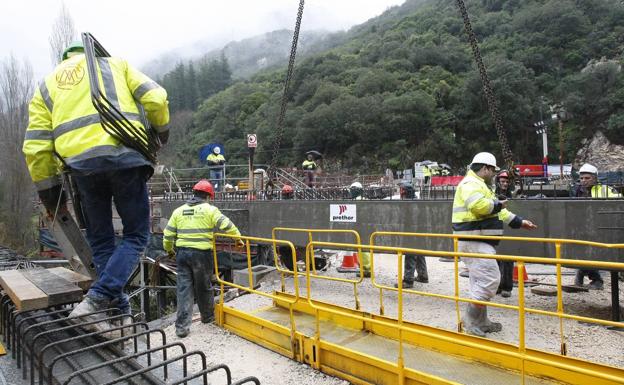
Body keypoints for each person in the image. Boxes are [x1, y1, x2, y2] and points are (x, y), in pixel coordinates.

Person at [22, 41, 169, 333]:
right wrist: (161, 133)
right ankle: (98, 300)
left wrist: (51, 198)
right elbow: (156, 97)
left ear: (65, 59)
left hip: (82, 171)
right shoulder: (115, 64)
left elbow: (36, 147)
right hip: (126, 159)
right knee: (137, 235)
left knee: (101, 240)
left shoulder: (47, 86)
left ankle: (120, 311)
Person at [452, 152, 537, 337]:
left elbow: (498, 212)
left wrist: (519, 221)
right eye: (493, 171)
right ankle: (471, 320)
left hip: (478, 240)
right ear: (485, 168)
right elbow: (480, 207)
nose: (494, 175)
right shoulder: (470, 184)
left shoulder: (481, 185)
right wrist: (498, 205)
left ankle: (481, 321)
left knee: (478, 282)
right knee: (490, 279)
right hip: (473, 240)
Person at [163, 180, 243, 337]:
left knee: (184, 289)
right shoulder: (209, 210)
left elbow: (168, 235)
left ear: (194, 194)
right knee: (203, 286)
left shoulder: (179, 211)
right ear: (208, 196)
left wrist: (169, 250)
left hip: (182, 254)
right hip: (202, 255)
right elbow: (226, 224)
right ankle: (207, 317)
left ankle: (182, 328)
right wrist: (237, 239)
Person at [571, 163, 621, 290]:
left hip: (601, 227)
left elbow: (619, 203)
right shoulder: (578, 191)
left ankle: (595, 280)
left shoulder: (605, 190)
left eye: (587, 178)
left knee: (590, 254)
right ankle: (584, 275)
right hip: (585, 227)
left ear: (595, 178)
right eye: (582, 178)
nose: (584, 181)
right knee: (583, 252)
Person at [494, 170, 514, 298]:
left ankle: (507, 287)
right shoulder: (493, 194)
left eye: (507, 182)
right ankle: (498, 286)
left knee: (507, 259)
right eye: (503, 181)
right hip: (496, 228)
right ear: (498, 182)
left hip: (508, 227)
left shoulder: (512, 194)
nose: (505, 184)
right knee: (495, 260)